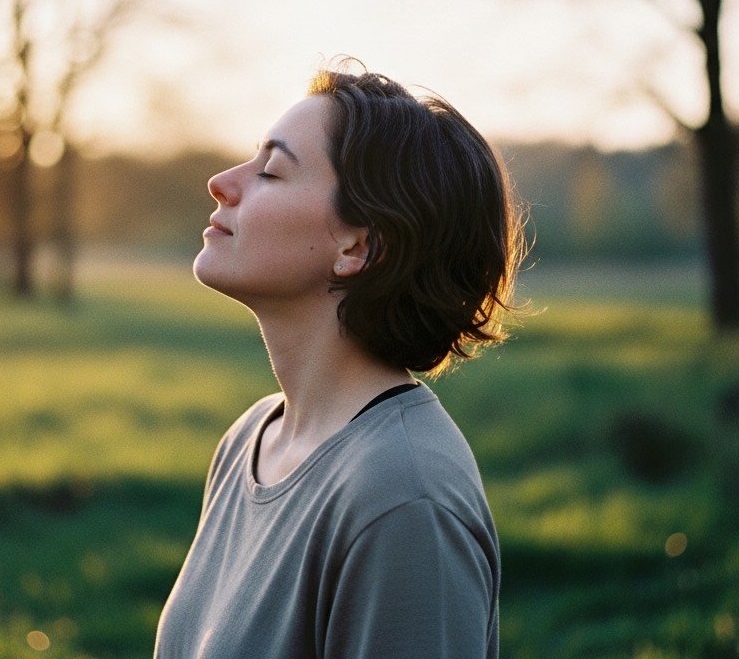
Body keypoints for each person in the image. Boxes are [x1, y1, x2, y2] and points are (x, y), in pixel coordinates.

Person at [154, 60, 522, 659]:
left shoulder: (405, 501)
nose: (222, 182)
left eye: (271, 171)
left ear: (359, 246)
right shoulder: (249, 439)